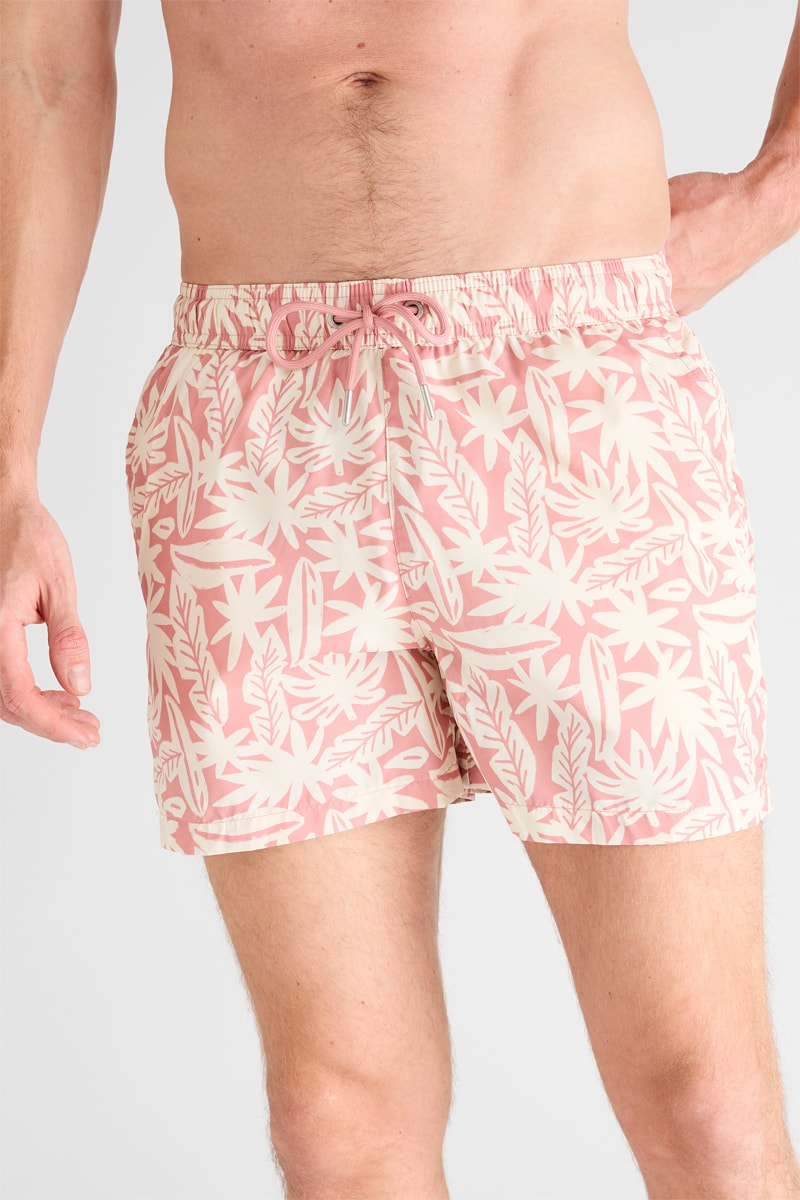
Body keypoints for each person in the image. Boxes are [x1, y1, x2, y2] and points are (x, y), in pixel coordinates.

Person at [2, 0, 799, 1196]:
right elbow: (44, 71)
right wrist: (7, 471)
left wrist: (774, 189)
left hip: (570, 397)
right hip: (252, 424)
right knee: (333, 1118)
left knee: (703, 1103)